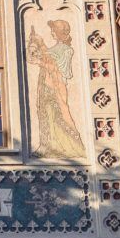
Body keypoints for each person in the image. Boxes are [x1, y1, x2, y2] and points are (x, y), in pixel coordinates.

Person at [27, 19, 84, 159]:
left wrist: (40, 57)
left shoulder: (66, 50)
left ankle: (64, 147)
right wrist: (37, 45)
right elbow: (44, 55)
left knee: (57, 115)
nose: (52, 32)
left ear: (60, 33)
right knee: (44, 114)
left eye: (54, 30)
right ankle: (46, 145)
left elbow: (61, 70)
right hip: (45, 86)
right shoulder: (54, 49)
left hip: (55, 88)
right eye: (52, 30)